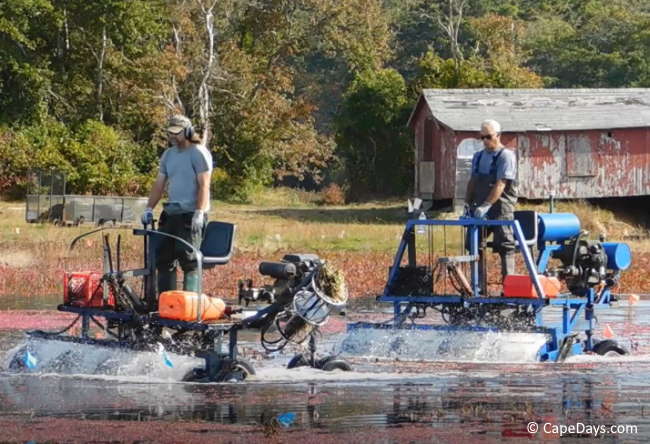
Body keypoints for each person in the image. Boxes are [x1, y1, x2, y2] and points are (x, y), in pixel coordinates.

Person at [141, 114, 213, 294]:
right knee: (163, 257)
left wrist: (199, 212)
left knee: (188, 258)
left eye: (176, 133)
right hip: (171, 213)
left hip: (190, 215)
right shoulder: (168, 155)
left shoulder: (198, 153)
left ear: (188, 132)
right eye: (170, 133)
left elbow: (204, 184)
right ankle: (167, 302)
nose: (172, 137)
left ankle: (190, 304)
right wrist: (149, 208)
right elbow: (159, 184)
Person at [464, 119, 518, 278]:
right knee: (473, 244)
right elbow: (473, 181)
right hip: (479, 209)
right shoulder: (478, 157)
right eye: (482, 138)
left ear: (498, 135)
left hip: (501, 209)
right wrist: (467, 204)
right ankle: (478, 285)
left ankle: (509, 287)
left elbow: (500, 184)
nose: (485, 141)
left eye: (488, 137)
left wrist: (486, 205)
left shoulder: (506, 156)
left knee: (505, 246)